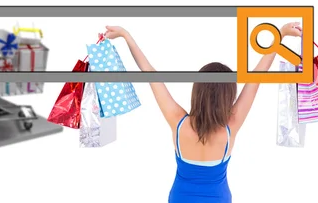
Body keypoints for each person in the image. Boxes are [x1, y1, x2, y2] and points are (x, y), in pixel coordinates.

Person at [104, 22, 302, 203]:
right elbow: (256, 78)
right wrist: (280, 36)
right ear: (228, 95)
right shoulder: (230, 125)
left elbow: (149, 72)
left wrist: (125, 35)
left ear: (197, 90)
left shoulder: (178, 122)